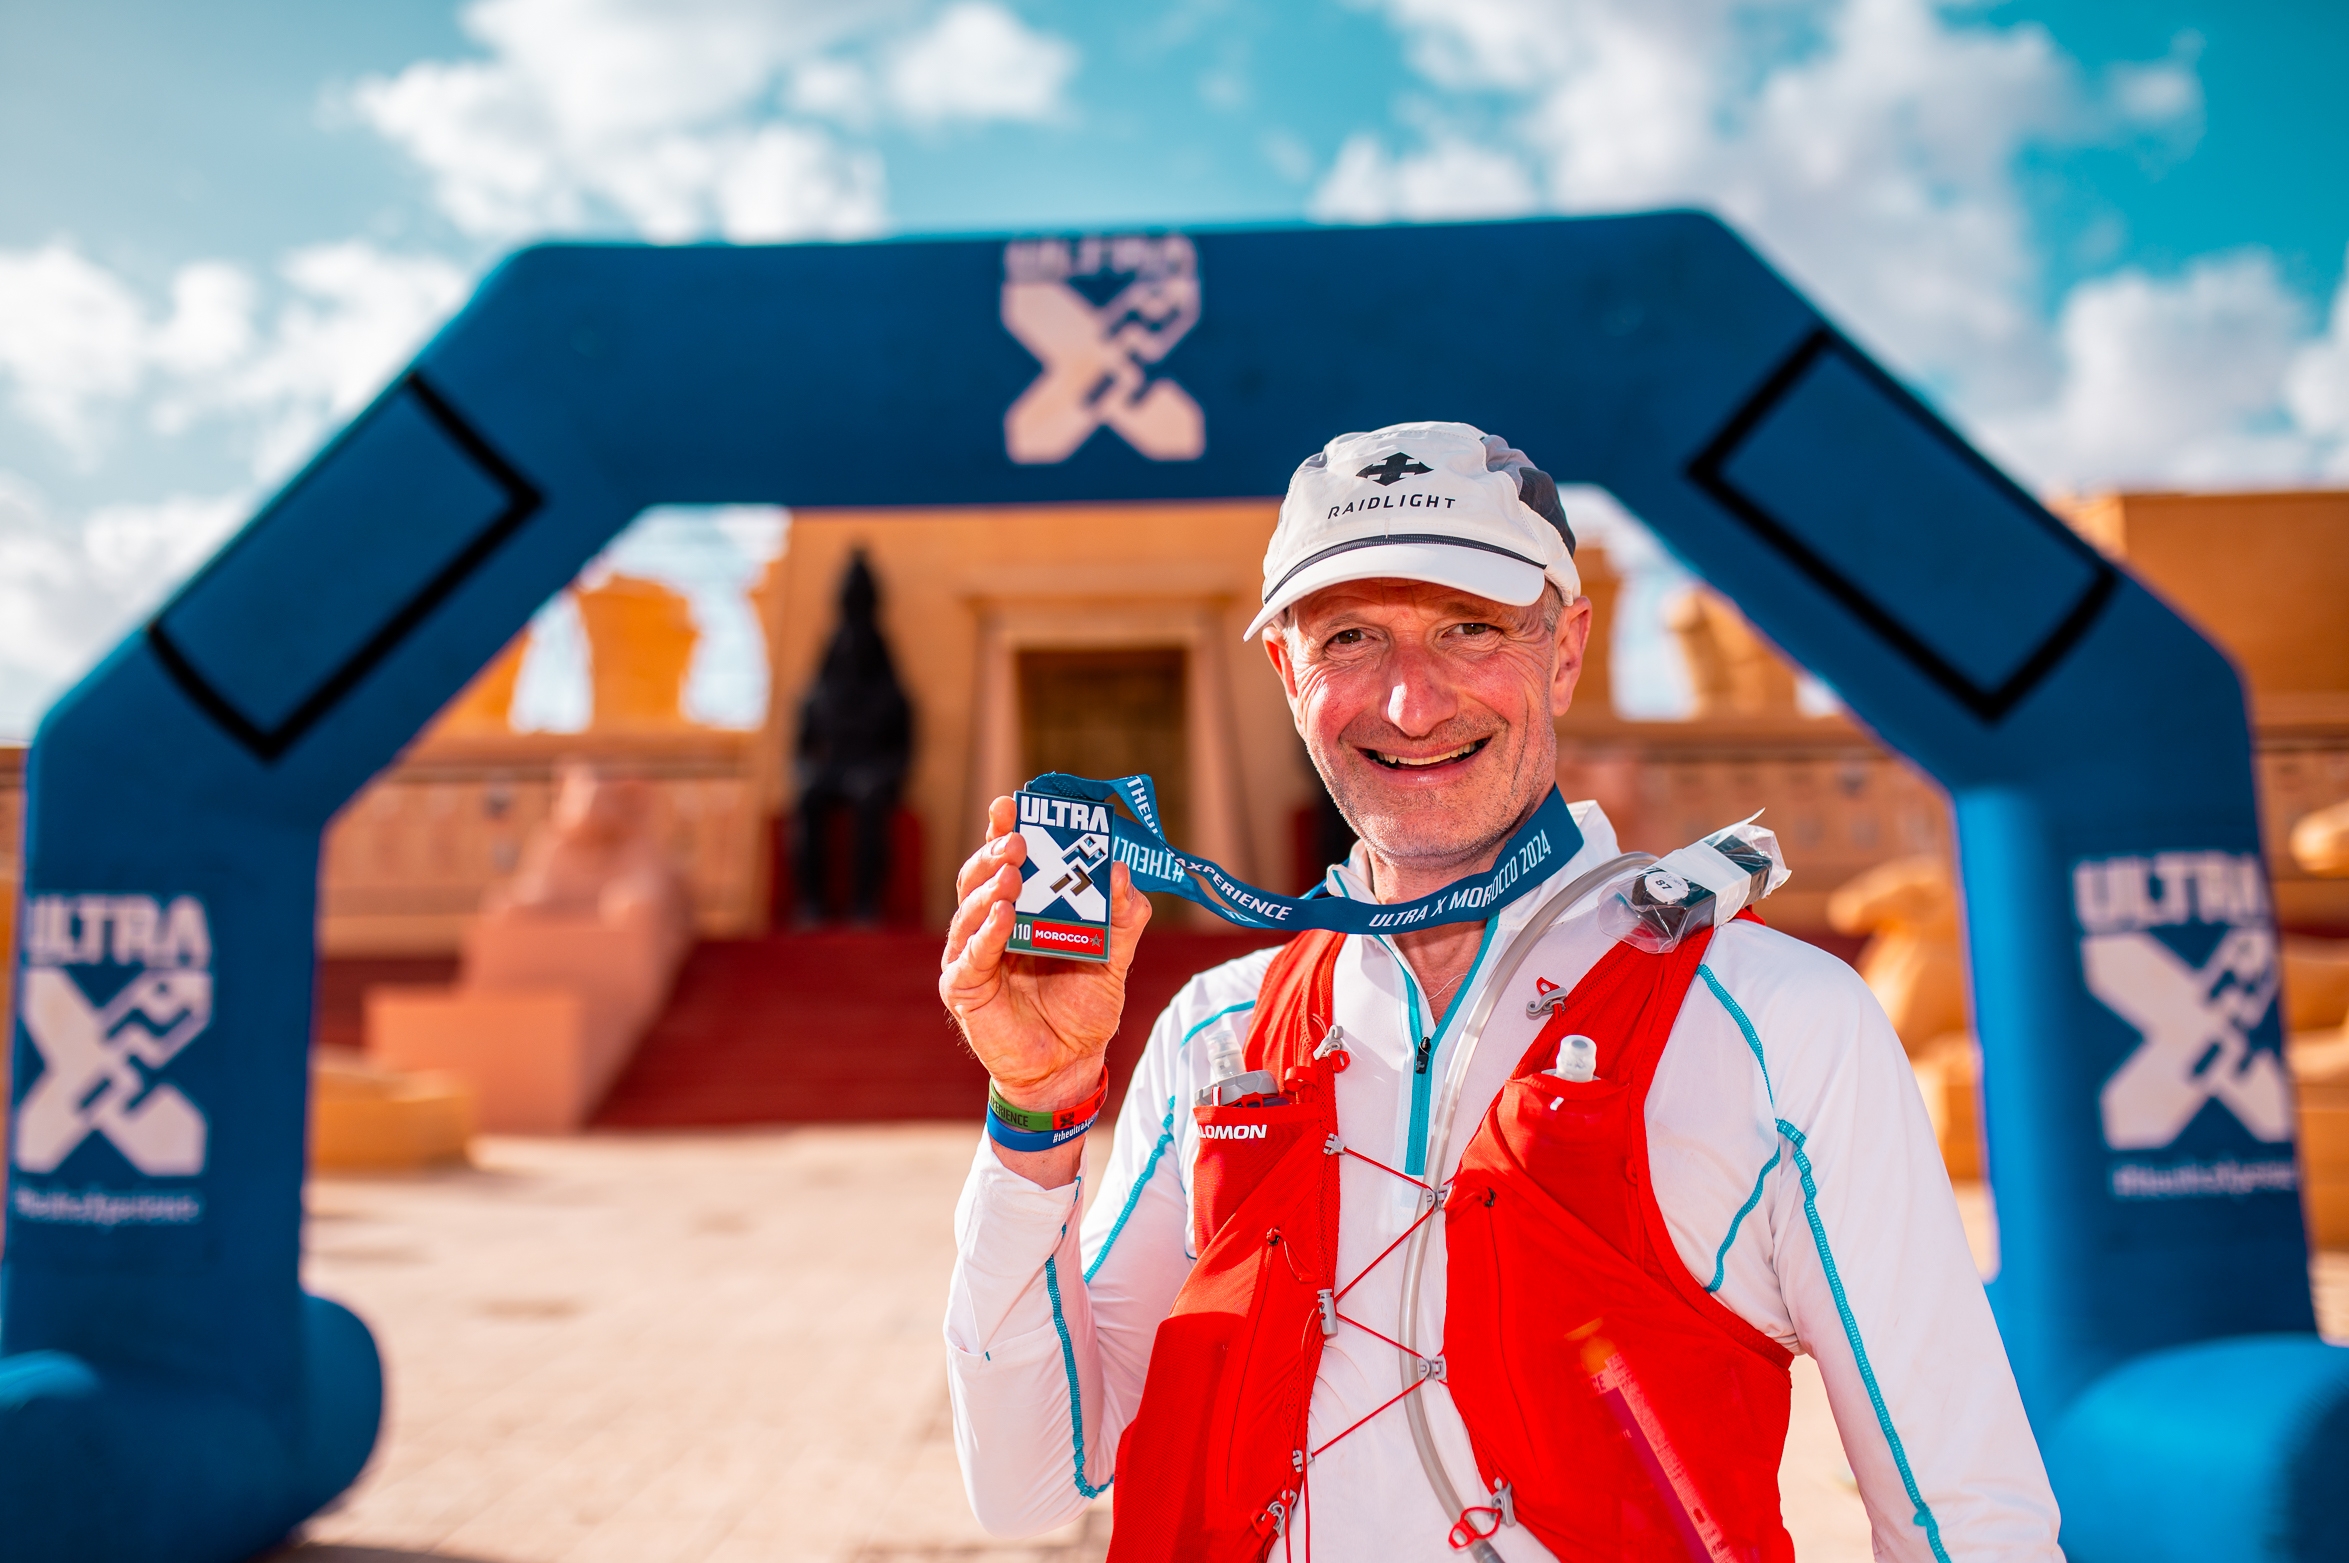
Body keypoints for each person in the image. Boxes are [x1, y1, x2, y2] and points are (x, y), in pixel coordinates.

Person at [938, 422, 2060, 1561]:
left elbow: (1965, 1516)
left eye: (1469, 627)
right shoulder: (1217, 1030)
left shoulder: (1776, 1017)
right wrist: (1037, 1106)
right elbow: (1031, 1482)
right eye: (1350, 638)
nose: (1411, 703)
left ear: (1564, 650)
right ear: (1285, 671)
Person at [794, 550, 913, 925]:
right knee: (808, 796)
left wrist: (885, 775)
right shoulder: (820, 697)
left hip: (871, 773)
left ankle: (865, 904)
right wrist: (807, 773)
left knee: (867, 796)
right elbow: (801, 748)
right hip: (831, 770)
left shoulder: (888, 694)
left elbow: (904, 751)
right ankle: (812, 904)